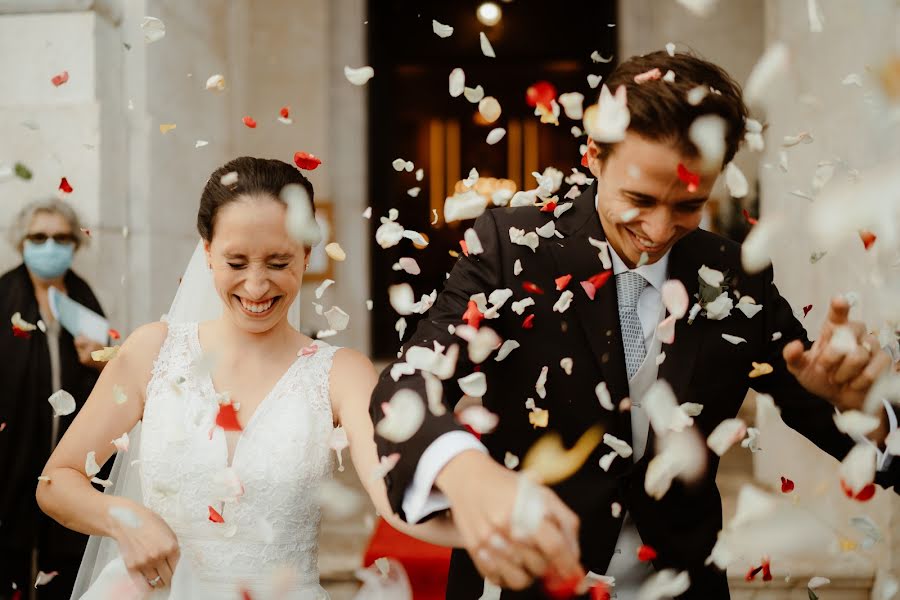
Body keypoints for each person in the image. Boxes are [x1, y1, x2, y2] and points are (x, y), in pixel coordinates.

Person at [370, 51, 899, 599]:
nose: (659, 228)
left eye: (689, 204)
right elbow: (405, 386)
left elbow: (834, 410)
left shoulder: (734, 275)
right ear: (595, 155)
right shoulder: (508, 247)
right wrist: (468, 473)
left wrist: (867, 413)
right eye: (638, 199)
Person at [36, 157, 461, 599]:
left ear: (307, 254)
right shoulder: (152, 351)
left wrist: (503, 520)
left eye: (278, 262)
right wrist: (124, 518)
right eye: (236, 262)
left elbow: (392, 495)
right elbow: (56, 482)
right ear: (206, 252)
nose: (256, 286)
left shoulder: (341, 372)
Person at [0, 199, 109, 600]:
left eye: (62, 237)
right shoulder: (3, 296)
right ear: (21, 242)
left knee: (65, 564)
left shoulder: (81, 296)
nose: (51, 246)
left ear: (75, 245)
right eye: (39, 237)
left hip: (68, 455)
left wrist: (98, 358)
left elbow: (114, 376)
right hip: (11, 458)